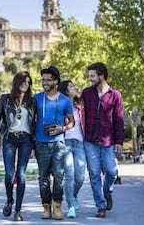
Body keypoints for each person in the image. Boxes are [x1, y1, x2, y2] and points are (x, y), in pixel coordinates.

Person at [0, 71, 36, 222]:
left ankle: (18, 210)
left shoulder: (32, 101)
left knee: (21, 174)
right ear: (17, 82)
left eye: (28, 82)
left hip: (26, 140)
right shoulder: (5, 99)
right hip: (9, 139)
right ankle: (9, 200)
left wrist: (34, 146)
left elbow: (35, 124)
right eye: (24, 82)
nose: (26, 85)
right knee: (10, 174)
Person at [81, 62, 124, 218]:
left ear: (101, 76)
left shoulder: (115, 95)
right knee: (94, 174)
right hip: (90, 140)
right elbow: (77, 110)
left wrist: (119, 141)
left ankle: (107, 192)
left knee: (112, 172)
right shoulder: (86, 93)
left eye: (92, 76)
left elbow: (119, 119)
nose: (90, 79)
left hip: (108, 141)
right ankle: (100, 206)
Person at [34, 66, 75, 220]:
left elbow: (72, 122)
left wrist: (62, 128)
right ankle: (46, 207)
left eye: (48, 80)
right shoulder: (36, 98)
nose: (45, 83)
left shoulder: (64, 100)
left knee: (59, 176)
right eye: (43, 80)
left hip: (58, 143)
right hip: (40, 143)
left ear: (56, 81)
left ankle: (57, 205)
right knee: (43, 177)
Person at [58, 80, 86, 218]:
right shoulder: (61, 105)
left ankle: (74, 195)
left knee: (79, 178)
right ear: (65, 90)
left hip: (80, 143)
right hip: (66, 143)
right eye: (71, 86)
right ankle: (70, 206)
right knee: (69, 176)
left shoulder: (80, 105)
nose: (75, 87)